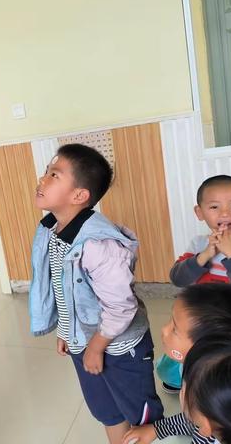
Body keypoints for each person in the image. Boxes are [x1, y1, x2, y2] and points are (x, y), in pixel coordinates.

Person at [29, 144, 163, 444]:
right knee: (107, 411)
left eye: (54, 174)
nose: (42, 179)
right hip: (85, 341)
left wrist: (96, 346)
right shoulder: (54, 229)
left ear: (79, 196)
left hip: (119, 347)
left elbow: (121, 308)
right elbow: (66, 291)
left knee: (141, 418)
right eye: (46, 172)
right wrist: (67, 331)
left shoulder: (99, 245)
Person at [122, 283, 231, 444]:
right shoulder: (216, 409)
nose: (164, 329)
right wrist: (157, 429)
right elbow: (195, 419)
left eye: (175, 329)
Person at [156, 174, 231, 393]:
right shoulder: (198, 243)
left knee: (223, 371)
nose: (224, 213)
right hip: (197, 322)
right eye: (214, 207)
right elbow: (177, 278)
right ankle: (181, 379)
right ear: (200, 213)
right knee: (181, 362)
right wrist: (203, 256)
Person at [181, 338, 231, 444]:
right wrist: (155, 430)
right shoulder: (219, 423)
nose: (181, 392)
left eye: (183, 387)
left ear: (205, 427)